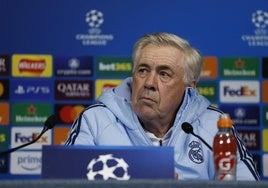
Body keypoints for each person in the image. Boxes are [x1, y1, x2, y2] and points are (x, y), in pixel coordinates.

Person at [65, 32, 259, 180]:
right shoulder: (95, 120)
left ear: (189, 86)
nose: (149, 82)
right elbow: (66, 180)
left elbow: (245, 182)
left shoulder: (214, 126)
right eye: (143, 70)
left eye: (164, 74)